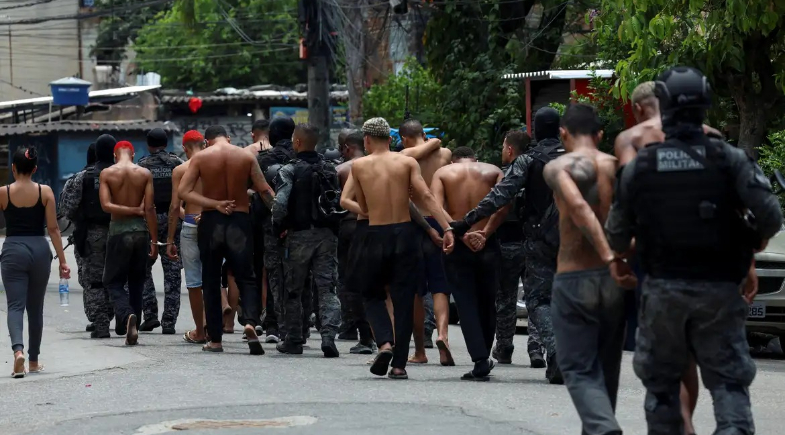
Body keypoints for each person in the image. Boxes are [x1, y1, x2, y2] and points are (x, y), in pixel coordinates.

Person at [605, 66, 783, 435]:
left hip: (662, 290)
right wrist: (752, 241)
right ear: (705, 105)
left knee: (663, 386)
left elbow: (617, 236)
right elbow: (770, 216)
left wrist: (624, 256)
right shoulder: (730, 158)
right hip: (720, 288)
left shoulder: (641, 166)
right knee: (728, 382)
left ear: (665, 106)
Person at [613, 80, 725, 435]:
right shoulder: (710, 135)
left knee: (665, 350)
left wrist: (620, 252)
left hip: (658, 257)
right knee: (692, 350)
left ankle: (682, 423)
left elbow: (630, 199)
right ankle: (686, 420)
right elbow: (731, 201)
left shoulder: (631, 139)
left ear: (639, 107)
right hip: (709, 257)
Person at [450, 107, 565, 383]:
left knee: (538, 299)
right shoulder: (578, 158)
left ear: (536, 131)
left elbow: (500, 196)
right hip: (579, 239)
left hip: (541, 240)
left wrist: (467, 221)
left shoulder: (528, 160)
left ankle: (556, 352)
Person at [540, 103, 626, 434]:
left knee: (577, 366)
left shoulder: (557, 167)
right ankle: (602, 426)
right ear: (600, 135)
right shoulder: (616, 167)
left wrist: (606, 255)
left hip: (575, 276)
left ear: (563, 134)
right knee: (607, 369)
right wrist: (621, 258)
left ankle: (603, 426)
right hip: (614, 281)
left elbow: (577, 206)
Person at [350, 117, 454, 380]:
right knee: (404, 299)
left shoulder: (359, 166)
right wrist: (448, 228)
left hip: (375, 234)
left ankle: (385, 343)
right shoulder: (407, 162)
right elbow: (426, 197)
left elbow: (363, 206)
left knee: (372, 294)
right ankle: (399, 366)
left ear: (367, 140)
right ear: (390, 139)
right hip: (405, 235)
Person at [179, 125, 275, 354]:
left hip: (211, 222)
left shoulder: (201, 158)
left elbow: (184, 191)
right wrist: (280, 218)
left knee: (211, 280)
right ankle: (250, 322)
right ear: (228, 138)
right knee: (246, 277)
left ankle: (215, 340)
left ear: (207, 141)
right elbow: (264, 190)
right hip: (239, 222)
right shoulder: (246, 156)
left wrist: (214, 204)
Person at [433, 146, 504, 380]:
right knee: (488, 301)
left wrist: (459, 232)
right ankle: (485, 354)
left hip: (456, 243)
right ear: (476, 159)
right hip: (487, 242)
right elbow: (505, 203)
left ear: (453, 161)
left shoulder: (443, 173)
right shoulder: (493, 171)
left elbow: (436, 207)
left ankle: (480, 358)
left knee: (465, 302)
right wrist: (485, 233)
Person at [271, 123, 343, 357]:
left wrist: (278, 227)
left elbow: (280, 204)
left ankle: (293, 339)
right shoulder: (330, 169)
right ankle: (328, 337)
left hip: (298, 237)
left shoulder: (289, 169)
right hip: (327, 237)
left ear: (298, 142)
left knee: (293, 289)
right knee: (327, 288)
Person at [2, 146, 71, 378]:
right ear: (35, 169)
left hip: (13, 250)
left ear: (13, 168)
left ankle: (18, 352)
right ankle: (33, 361)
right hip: (40, 250)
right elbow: (53, 229)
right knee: (35, 308)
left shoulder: (3, 193)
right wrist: (63, 261)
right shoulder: (45, 192)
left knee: (15, 306)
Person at [398, 119, 453, 365]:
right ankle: (443, 335)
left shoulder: (404, 157)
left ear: (404, 138)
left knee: (416, 291)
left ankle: (420, 350)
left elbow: (412, 154)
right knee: (440, 286)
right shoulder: (445, 154)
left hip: (415, 223)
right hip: (439, 221)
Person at [489, 130, 545, 367]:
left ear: (510, 149)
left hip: (509, 241)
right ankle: (536, 347)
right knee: (536, 297)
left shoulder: (508, 174)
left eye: (504, 146)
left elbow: (500, 205)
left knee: (506, 297)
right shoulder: (539, 173)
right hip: (534, 242)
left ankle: (504, 347)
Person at [98, 141, 159, 346]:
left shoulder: (107, 173)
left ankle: (126, 316)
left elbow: (106, 206)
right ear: (133, 154)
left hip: (118, 231)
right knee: (136, 282)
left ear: (115, 155)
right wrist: (154, 240)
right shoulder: (144, 173)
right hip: (140, 232)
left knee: (112, 281)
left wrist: (129, 210)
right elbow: (149, 208)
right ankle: (133, 327)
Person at [59, 134, 119, 339]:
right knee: (119, 278)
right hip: (121, 231)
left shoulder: (81, 178)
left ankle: (101, 322)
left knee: (94, 281)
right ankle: (121, 316)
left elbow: (66, 208)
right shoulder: (126, 174)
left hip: (93, 235)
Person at [138, 128, 184, 334]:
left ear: (148, 145)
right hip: (174, 219)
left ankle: (150, 315)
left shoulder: (142, 166)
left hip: (149, 220)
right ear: (166, 143)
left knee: (144, 267)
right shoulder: (178, 164)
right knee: (172, 271)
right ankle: (169, 322)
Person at [166, 130, 207, 344]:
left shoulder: (181, 170)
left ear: (184, 148)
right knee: (212, 277)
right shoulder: (214, 165)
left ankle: (200, 330)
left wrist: (170, 240)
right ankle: (214, 325)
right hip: (212, 223)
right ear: (205, 143)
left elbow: (175, 206)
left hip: (190, 223)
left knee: (194, 281)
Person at [258, 116, 297, 343]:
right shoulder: (302, 156)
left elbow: (256, 191)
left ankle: (273, 324)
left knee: (274, 275)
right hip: (299, 227)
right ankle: (298, 327)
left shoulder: (263, 159)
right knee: (299, 277)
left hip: (270, 226)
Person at [335, 131, 372, 349]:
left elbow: (335, 204)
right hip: (377, 225)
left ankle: (353, 328)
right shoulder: (377, 166)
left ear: (348, 147)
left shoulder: (341, 170)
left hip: (349, 225)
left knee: (349, 280)